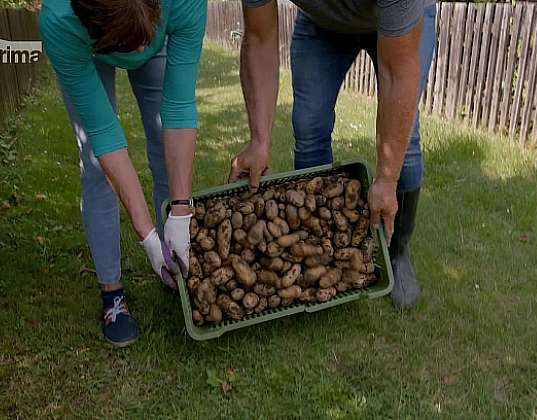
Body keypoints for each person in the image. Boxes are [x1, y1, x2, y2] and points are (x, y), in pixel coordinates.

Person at [229, 0, 436, 309]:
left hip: (397, 22)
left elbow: (398, 71)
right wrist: (259, 141)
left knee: (404, 146)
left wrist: (385, 178)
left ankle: (397, 252)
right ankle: (319, 250)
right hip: (321, 24)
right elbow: (259, 36)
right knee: (309, 126)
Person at [39, 0, 206, 346]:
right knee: (96, 167)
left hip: (153, 22)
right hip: (91, 45)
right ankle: (112, 294)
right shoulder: (60, 20)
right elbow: (104, 134)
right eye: (131, 46)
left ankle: (174, 263)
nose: (141, 52)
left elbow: (178, 107)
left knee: (164, 142)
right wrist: (147, 238)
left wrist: (181, 210)